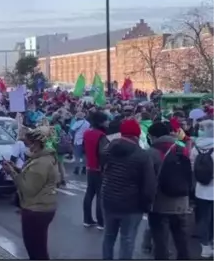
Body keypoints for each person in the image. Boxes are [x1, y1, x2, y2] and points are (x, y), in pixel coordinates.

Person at [101, 119, 157, 260]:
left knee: (108, 237)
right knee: (127, 239)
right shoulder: (143, 155)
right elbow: (149, 184)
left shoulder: (108, 150)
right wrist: (147, 204)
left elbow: (103, 170)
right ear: (137, 135)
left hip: (109, 200)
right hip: (132, 204)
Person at [2, 126, 58, 260]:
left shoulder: (41, 163)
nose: (27, 146)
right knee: (38, 246)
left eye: (29, 143)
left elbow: (28, 189)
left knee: (36, 249)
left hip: (36, 210)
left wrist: (12, 173)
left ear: (38, 144)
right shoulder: (41, 158)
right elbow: (31, 177)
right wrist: (16, 168)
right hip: (41, 207)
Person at [145, 121, 191, 259]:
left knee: (160, 240)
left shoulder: (151, 152)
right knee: (180, 237)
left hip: (159, 202)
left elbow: (148, 178)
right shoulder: (182, 149)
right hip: (181, 201)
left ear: (152, 136)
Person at [82, 111, 110, 229]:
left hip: (90, 166)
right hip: (100, 168)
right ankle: (101, 221)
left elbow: (85, 149)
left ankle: (87, 219)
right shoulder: (101, 135)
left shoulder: (87, 133)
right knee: (100, 195)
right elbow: (104, 153)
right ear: (101, 122)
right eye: (106, 120)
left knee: (89, 193)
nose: (108, 122)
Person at [191, 119, 214, 258]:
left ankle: (204, 246)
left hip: (200, 189)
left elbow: (191, 168)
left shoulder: (195, 148)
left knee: (203, 218)